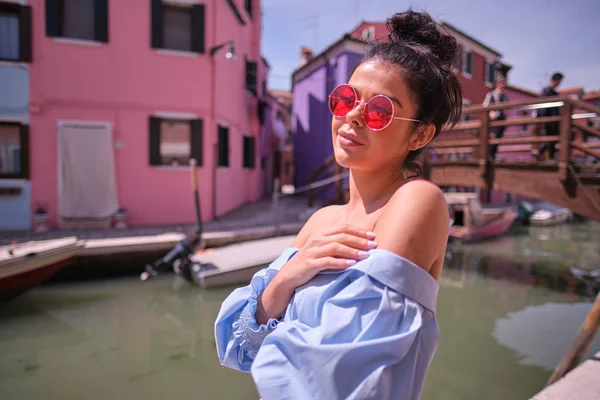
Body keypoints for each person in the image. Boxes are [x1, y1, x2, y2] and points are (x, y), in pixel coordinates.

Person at [215, 9, 462, 400]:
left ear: (419, 135)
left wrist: (280, 297)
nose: (354, 116)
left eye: (381, 110)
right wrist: (284, 279)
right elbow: (240, 345)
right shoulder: (322, 220)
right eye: (346, 99)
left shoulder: (417, 201)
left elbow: (337, 375)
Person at [537, 72, 564, 161]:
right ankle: (545, 155)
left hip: (555, 119)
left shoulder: (555, 93)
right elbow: (542, 107)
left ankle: (546, 155)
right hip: (548, 119)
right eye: (559, 81)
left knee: (554, 139)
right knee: (550, 139)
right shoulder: (546, 91)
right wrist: (542, 118)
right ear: (555, 80)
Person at [483, 76, 509, 159]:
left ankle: (492, 155)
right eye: (500, 82)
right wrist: (491, 113)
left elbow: (507, 109)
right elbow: (485, 105)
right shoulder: (491, 95)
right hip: (493, 121)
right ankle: (489, 156)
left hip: (502, 120)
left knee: (498, 138)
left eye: (503, 82)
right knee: (493, 137)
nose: (502, 84)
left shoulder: (505, 97)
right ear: (496, 84)